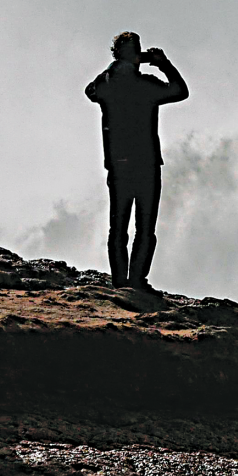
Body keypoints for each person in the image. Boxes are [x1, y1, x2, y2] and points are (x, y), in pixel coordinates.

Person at [85, 32, 188, 291]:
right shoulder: (146, 85)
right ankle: (136, 281)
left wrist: (116, 66)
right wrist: (163, 63)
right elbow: (180, 91)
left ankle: (121, 281)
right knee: (144, 228)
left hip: (119, 163)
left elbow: (91, 90)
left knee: (119, 227)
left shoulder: (107, 83)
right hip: (146, 164)